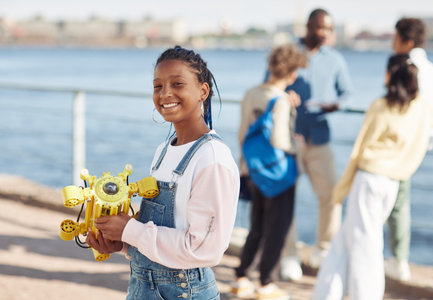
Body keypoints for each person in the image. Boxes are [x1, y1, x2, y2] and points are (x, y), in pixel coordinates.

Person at [85, 46, 240, 300]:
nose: (165, 94)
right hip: (141, 287)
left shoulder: (212, 158)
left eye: (177, 84)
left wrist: (131, 231)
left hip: (184, 292)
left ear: (203, 91)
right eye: (158, 86)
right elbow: (160, 231)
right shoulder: (163, 151)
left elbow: (204, 249)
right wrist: (123, 243)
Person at [313, 54, 433, 300]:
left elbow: (359, 151)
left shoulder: (380, 106)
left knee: (365, 246)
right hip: (392, 183)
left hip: (369, 181)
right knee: (345, 242)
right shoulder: (423, 107)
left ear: (390, 76)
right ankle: (326, 294)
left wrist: (340, 190)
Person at [280, 8, 353, 279]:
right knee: (285, 197)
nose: (325, 33)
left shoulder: (335, 59)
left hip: (320, 138)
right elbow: (270, 84)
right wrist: (283, 96)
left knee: (332, 194)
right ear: (309, 27)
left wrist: (337, 106)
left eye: (329, 29)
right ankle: (289, 255)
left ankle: (324, 250)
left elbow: (347, 93)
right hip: (287, 138)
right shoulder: (288, 54)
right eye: (321, 27)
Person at [231, 44, 306, 299]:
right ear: (292, 74)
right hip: (279, 176)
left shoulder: (251, 93)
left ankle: (241, 278)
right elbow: (280, 141)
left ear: (270, 67)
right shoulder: (282, 100)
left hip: (254, 171)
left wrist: (245, 168)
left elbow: (243, 133)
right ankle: (266, 284)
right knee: (277, 230)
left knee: (257, 228)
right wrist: (299, 145)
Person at [385, 17, 433, 282]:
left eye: (395, 37)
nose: (392, 42)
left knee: (389, 202)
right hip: (419, 147)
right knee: (399, 202)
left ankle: (393, 260)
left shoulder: (404, 66)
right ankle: (399, 259)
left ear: (407, 41)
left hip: (394, 146)